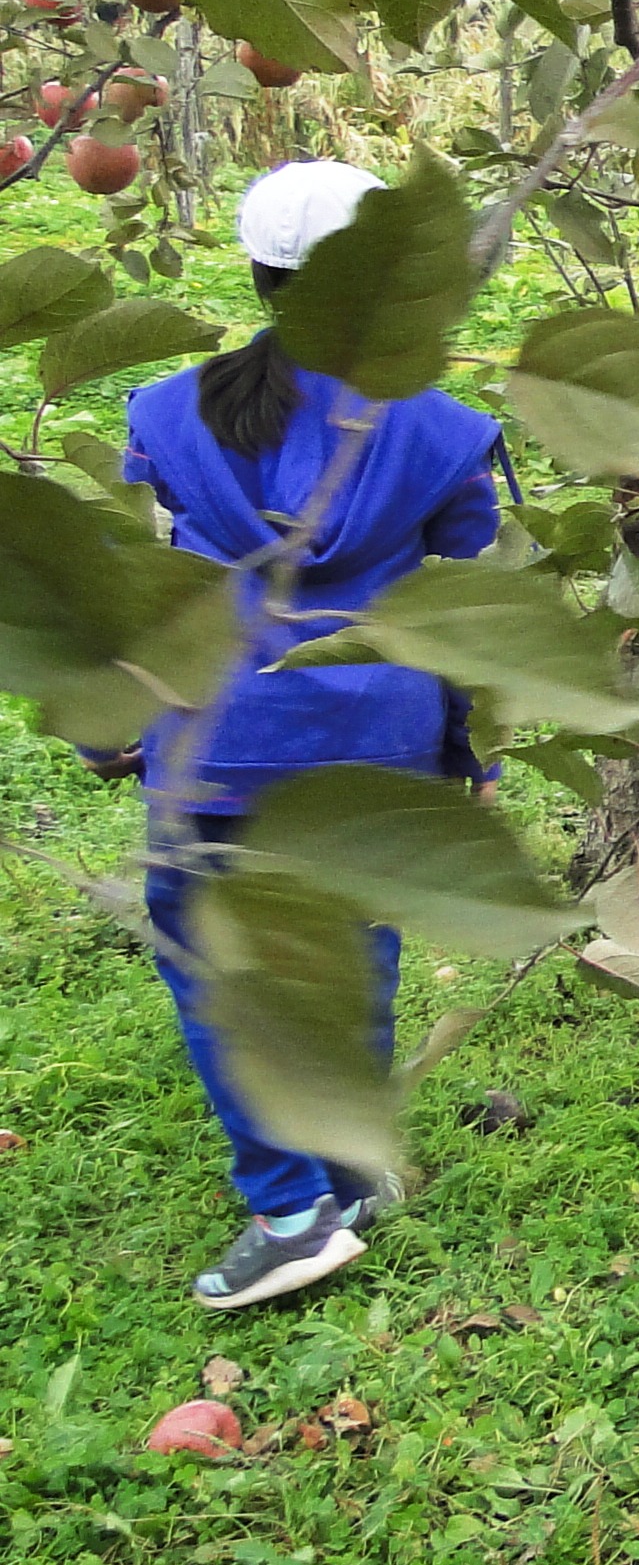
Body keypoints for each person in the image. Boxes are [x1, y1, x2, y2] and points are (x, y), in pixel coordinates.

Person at [112, 161, 507, 1310]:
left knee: (225, 976)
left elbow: (146, 592)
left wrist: (111, 728)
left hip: (222, 741)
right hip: (379, 741)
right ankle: (345, 1168)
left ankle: (292, 1213)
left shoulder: (168, 414)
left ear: (260, 276)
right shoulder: (445, 431)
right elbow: (467, 611)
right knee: (351, 960)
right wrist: (472, 755)